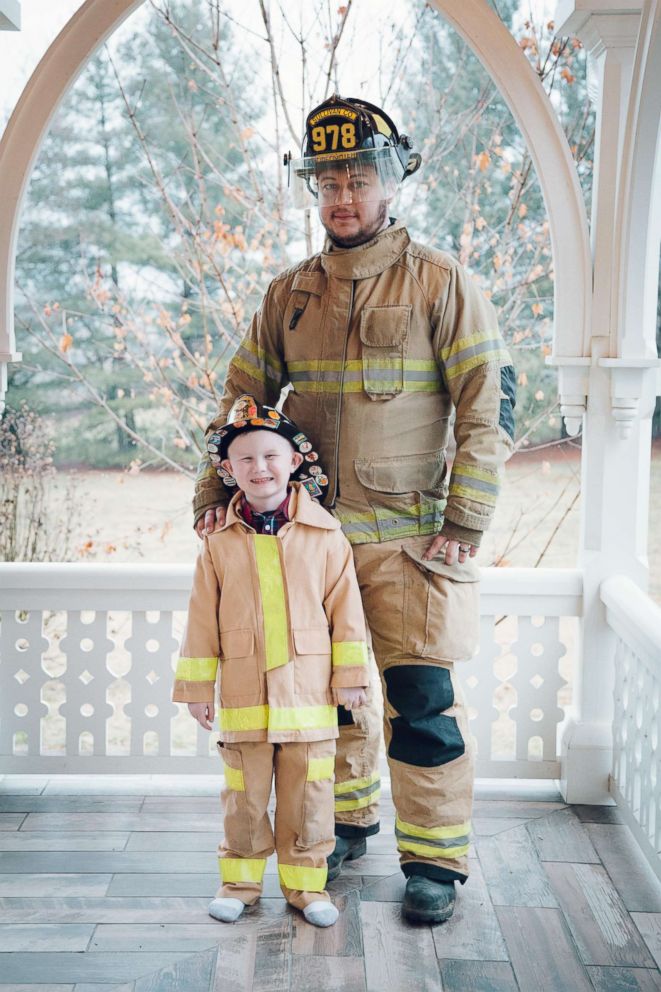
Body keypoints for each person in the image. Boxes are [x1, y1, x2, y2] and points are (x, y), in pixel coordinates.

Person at [192, 95, 516, 924]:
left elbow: (489, 404)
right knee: (324, 704)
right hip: (311, 547)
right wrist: (212, 490)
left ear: (392, 180)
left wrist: (465, 519)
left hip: (411, 546)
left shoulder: (440, 283)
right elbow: (241, 398)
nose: (342, 195)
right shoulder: (290, 295)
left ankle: (435, 861)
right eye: (327, 179)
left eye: (359, 177)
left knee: (421, 707)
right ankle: (346, 822)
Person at [173, 394, 369, 928]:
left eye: (270, 456)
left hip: (309, 696)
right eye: (245, 460)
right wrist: (195, 688)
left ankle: (308, 888)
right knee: (244, 797)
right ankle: (239, 884)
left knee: (310, 795)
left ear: (294, 460)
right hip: (244, 696)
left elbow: (347, 613)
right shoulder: (217, 543)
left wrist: (351, 678)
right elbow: (200, 621)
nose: (259, 468)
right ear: (228, 470)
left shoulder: (326, 537)